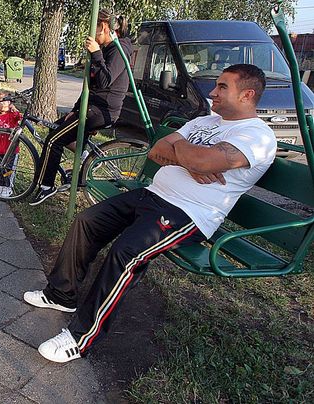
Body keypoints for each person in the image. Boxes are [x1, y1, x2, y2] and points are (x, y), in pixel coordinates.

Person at [23, 64, 276, 363]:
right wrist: (190, 159)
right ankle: (61, 295)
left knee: (126, 252)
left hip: (189, 213)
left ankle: (80, 338)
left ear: (247, 95)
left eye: (222, 87)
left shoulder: (258, 136)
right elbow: (157, 150)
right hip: (152, 195)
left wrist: (187, 153)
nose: (212, 93)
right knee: (86, 221)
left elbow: (202, 160)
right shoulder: (207, 122)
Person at [30, 9, 133, 206]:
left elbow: (105, 81)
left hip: (102, 111)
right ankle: (84, 158)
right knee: (56, 129)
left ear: (103, 26)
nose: (91, 35)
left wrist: (95, 53)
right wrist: (75, 109)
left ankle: (46, 187)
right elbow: (91, 86)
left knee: (53, 141)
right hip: (91, 106)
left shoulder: (119, 50)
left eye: (93, 29)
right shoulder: (108, 49)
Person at [0, 92, 23, 198]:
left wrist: (14, 109)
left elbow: (19, 117)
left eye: (6, 100)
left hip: (11, 148)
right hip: (0, 148)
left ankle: (8, 187)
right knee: (1, 168)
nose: (4, 103)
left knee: (9, 169)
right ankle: (1, 185)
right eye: (0, 101)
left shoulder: (12, 115)